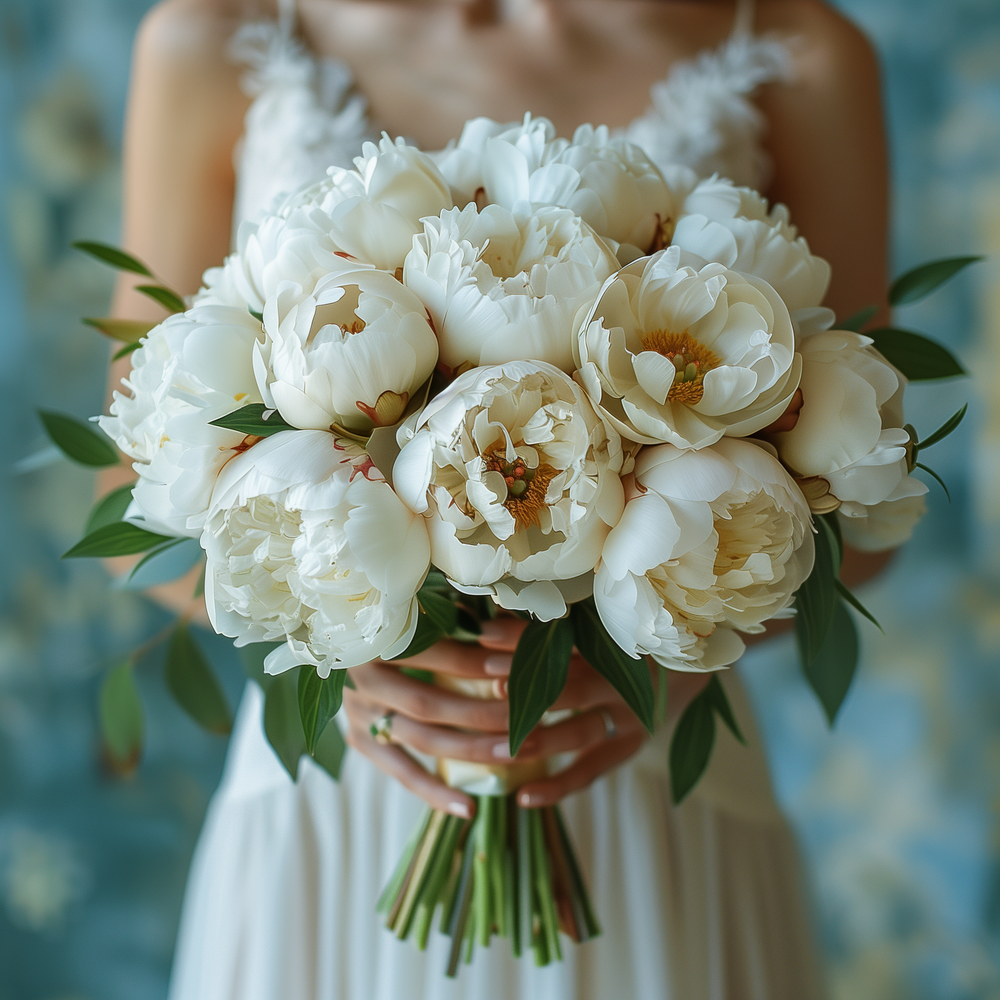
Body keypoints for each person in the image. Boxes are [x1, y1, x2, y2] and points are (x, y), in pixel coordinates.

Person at [103, 0, 894, 996]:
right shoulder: (216, 34)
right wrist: (330, 634)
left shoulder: (799, 50)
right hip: (352, 773)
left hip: (634, 760)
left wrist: (675, 654)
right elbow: (135, 467)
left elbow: (861, 488)